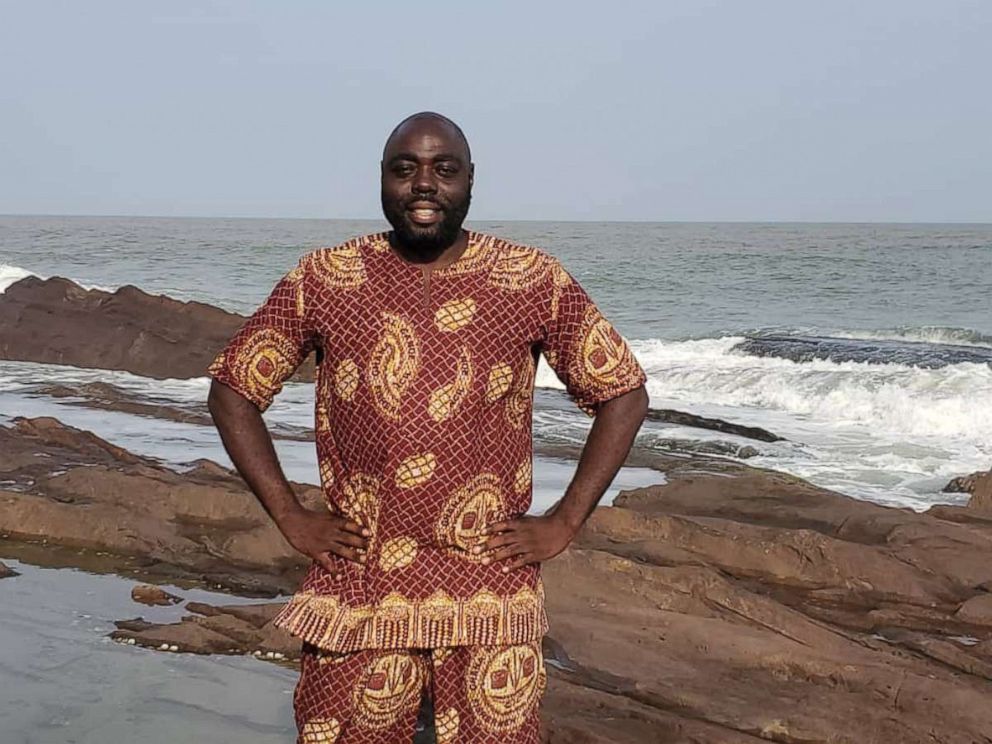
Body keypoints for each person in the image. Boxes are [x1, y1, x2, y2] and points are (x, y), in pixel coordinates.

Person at [207, 112, 649, 744]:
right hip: (360, 581)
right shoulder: (325, 277)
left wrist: (564, 521)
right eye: (405, 168)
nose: (424, 184)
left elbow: (623, 394)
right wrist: (290, 515)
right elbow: (232, 390)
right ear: (382, 180)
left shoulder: (530, 278)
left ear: (470, 182)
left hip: (488, 584)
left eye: (444, 169)